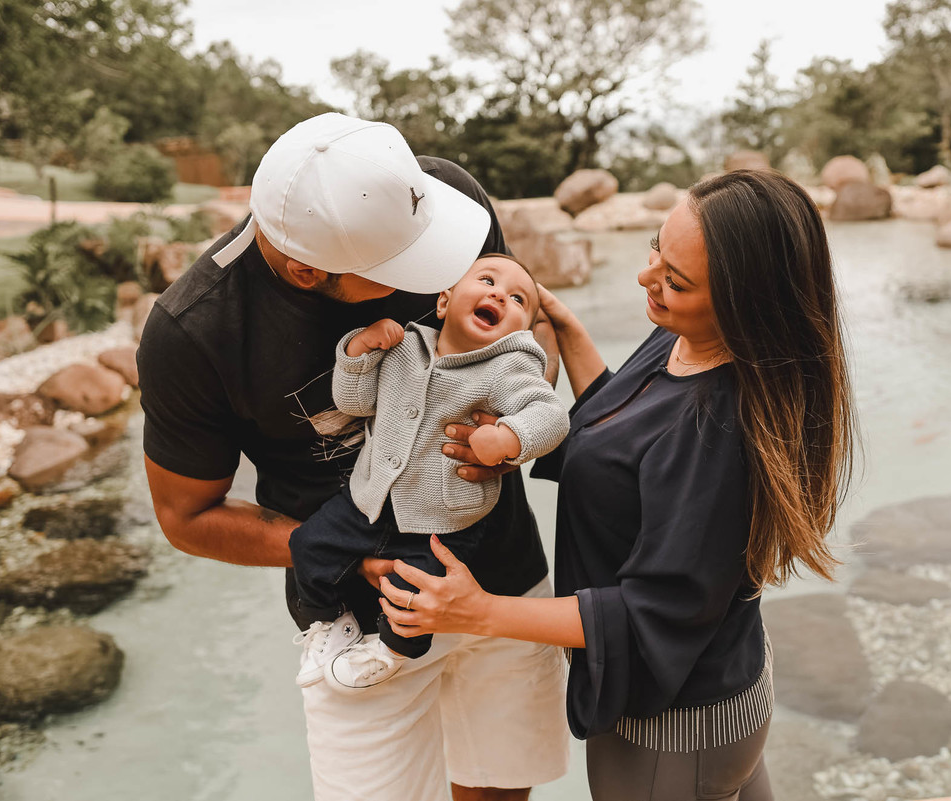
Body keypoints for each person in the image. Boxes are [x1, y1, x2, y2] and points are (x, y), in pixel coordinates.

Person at [378, 169, 860, 801]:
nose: (646, 276)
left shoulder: (718, 432)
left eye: (675, 280)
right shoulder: (688, 338)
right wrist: (566, 326)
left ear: (743, 303)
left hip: (676, 730)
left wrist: (481, 612)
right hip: (729, 678)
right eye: (655, 248)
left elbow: (647, 614)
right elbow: (628, 423)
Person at [137, 113, 569, 801]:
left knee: (500, 790)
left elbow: (523, 335)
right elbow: (188, 517)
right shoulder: (195, 332)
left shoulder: (442, 198)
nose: (442, 269)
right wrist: (349, 555)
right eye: (407, 267)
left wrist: (508, 436)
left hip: (503, 584)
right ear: (308, 269)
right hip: (357, 627)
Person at [290, 254, 568, 692]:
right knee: (306, 545)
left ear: (519, 333)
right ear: (444, 301)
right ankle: (328, 623)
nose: (499, 293)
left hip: (444, 519)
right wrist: (358, 351)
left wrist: (510, 436)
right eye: (487, 280)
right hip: (367, 499)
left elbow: (551, 416)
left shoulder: (507, 369)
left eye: (517, 298)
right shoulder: (403, 347)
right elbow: (354, 403)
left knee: (415, 596)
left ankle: (392, 651)